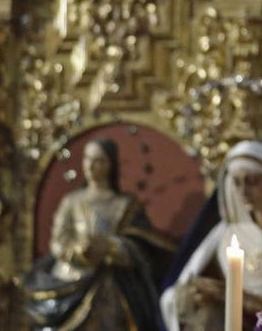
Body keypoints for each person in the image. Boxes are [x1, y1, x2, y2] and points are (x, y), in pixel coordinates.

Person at [159, 141, 262, 331]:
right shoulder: (226, 236)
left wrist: (256, 302)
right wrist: (195, 292)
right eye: (237, 182)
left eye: (252, 181)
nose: (243, 192)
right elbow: (172, 295)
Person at [25, 138, 173, 330]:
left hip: (111, 281)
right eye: (87, 158)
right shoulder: (72, 201)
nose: (90, 165)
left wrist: (110, 246)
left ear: (110, 164)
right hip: (72, 278)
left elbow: (140, 246)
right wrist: (77, 251)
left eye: (98, 160)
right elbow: (58, 240)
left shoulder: (125, 205)